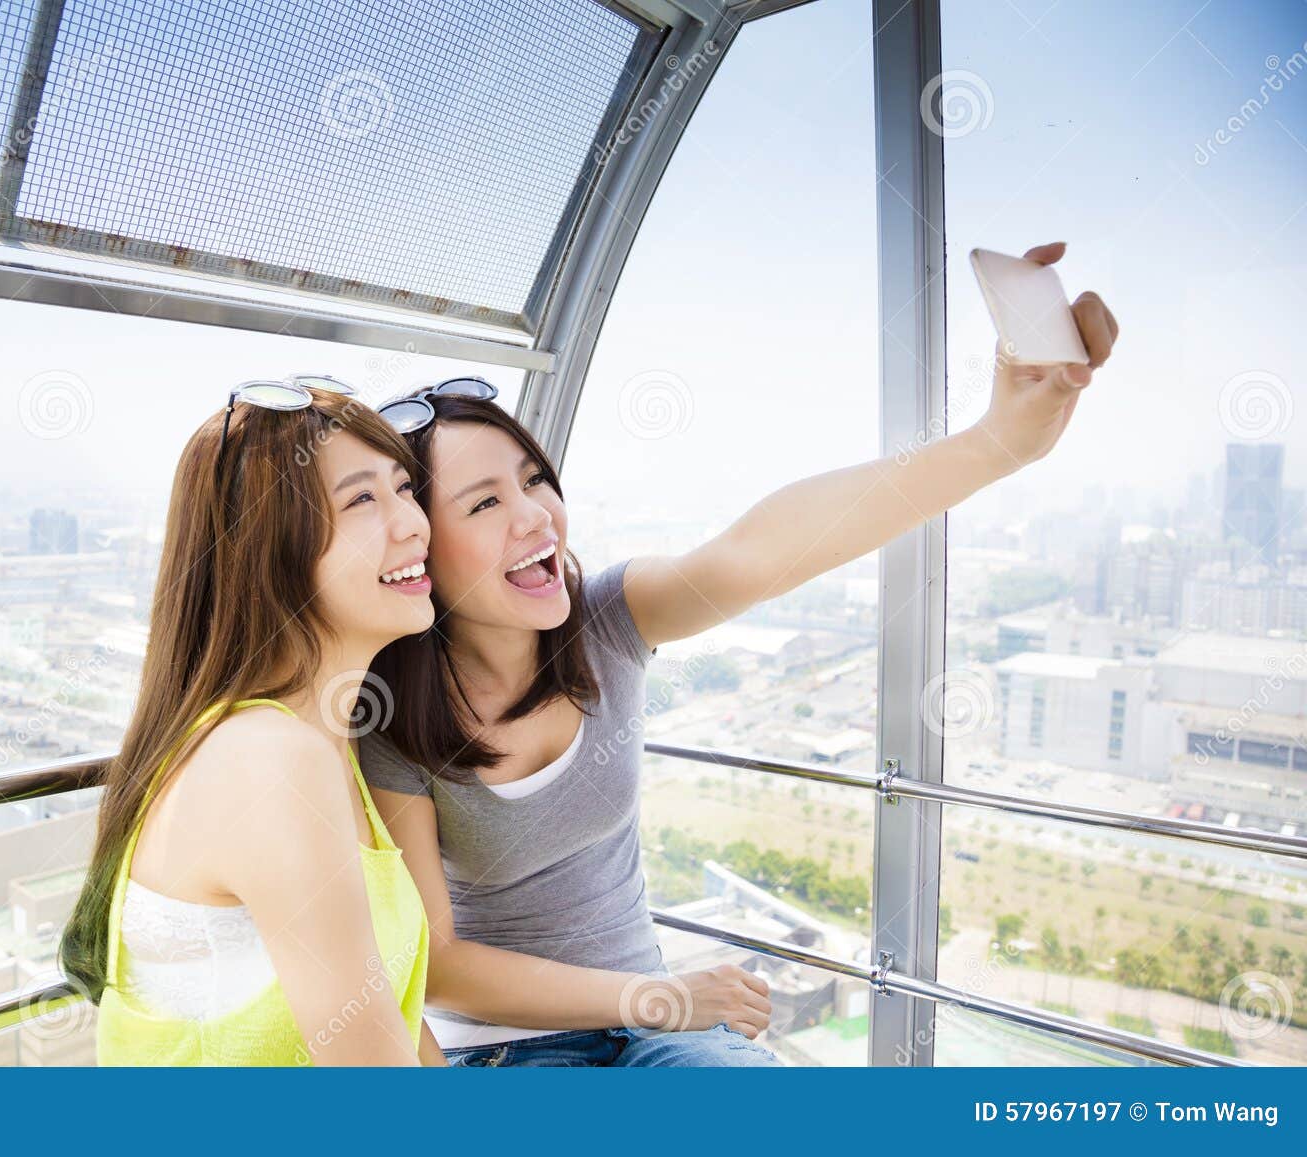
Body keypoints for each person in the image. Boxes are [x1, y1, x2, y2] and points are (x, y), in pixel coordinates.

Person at [360, 242, 1119, 1066]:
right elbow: (437, 964)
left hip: (656, 1039)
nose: (535, 515)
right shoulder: (390, 718)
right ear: (420, 548)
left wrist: (998, 441)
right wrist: (663, 995)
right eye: (484, 503)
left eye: (535, 478)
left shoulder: (609, 619)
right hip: (515, 1054)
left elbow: (767, 548)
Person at [60, 376, 447, 1065]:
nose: (414, 522)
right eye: (362, 497)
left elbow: (398, 1027)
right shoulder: (267, 758)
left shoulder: (324, 743)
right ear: (269, 548)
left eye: (404, 487)